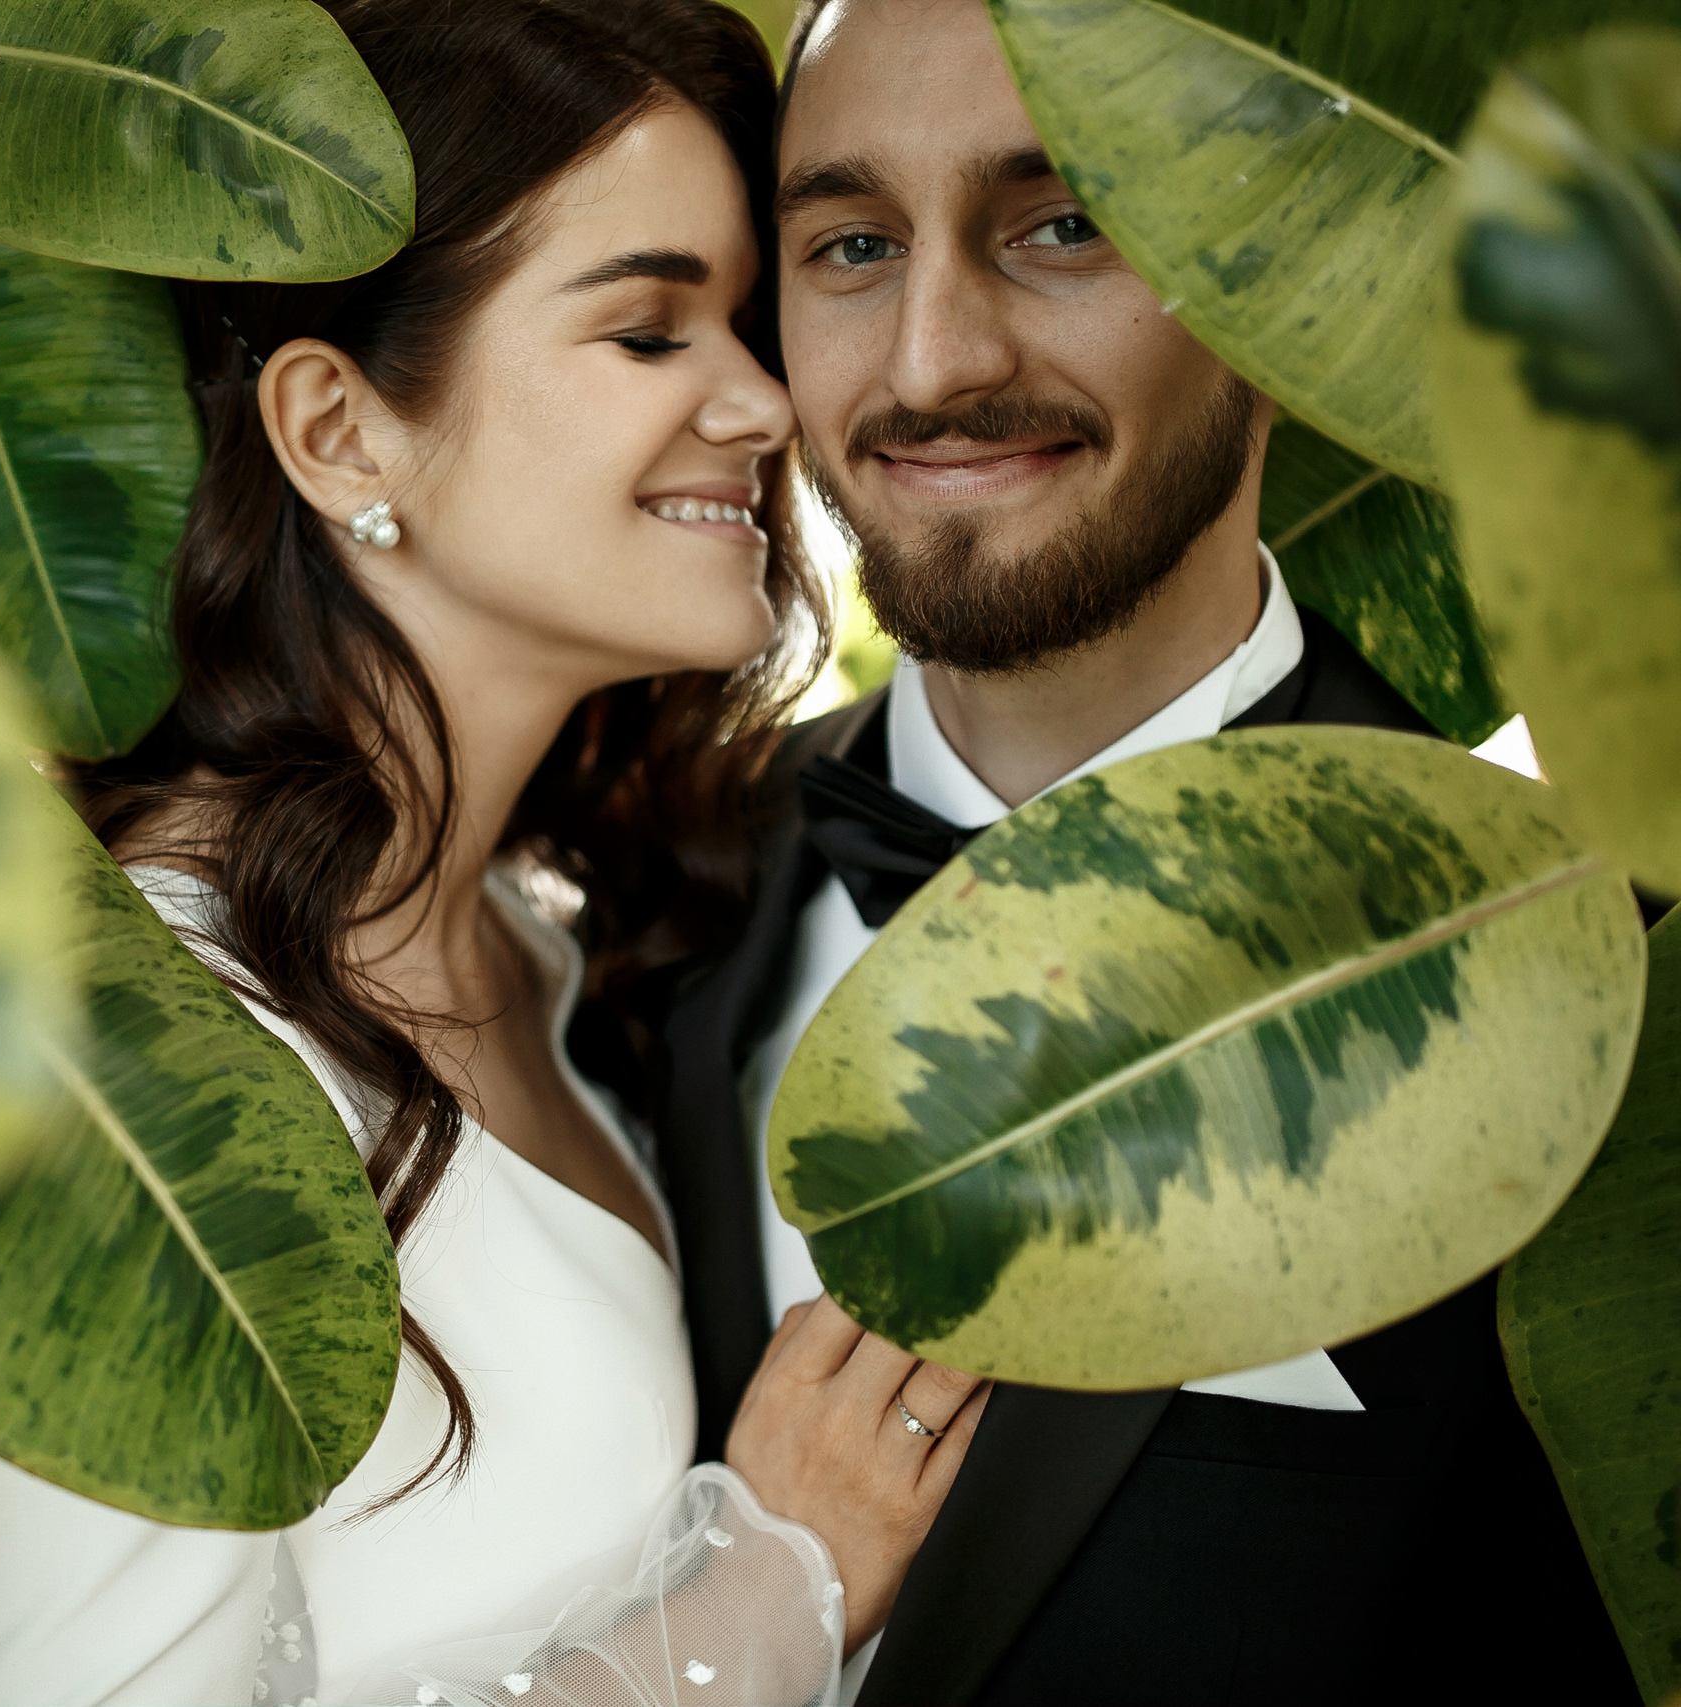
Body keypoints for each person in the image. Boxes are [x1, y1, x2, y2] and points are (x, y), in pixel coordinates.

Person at [0, 2, 985, 1701]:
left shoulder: (545, 942)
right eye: (648, 331)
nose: (762, 402)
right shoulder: (140, 1056)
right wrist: (770, 1587)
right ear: (339, 431)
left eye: (745, 325)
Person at [655, 2, 1643, 1703]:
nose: (933, 364)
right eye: (854, 246)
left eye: (1065, 223)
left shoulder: (1601, 996)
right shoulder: (635, 885)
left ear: (1286, 297)